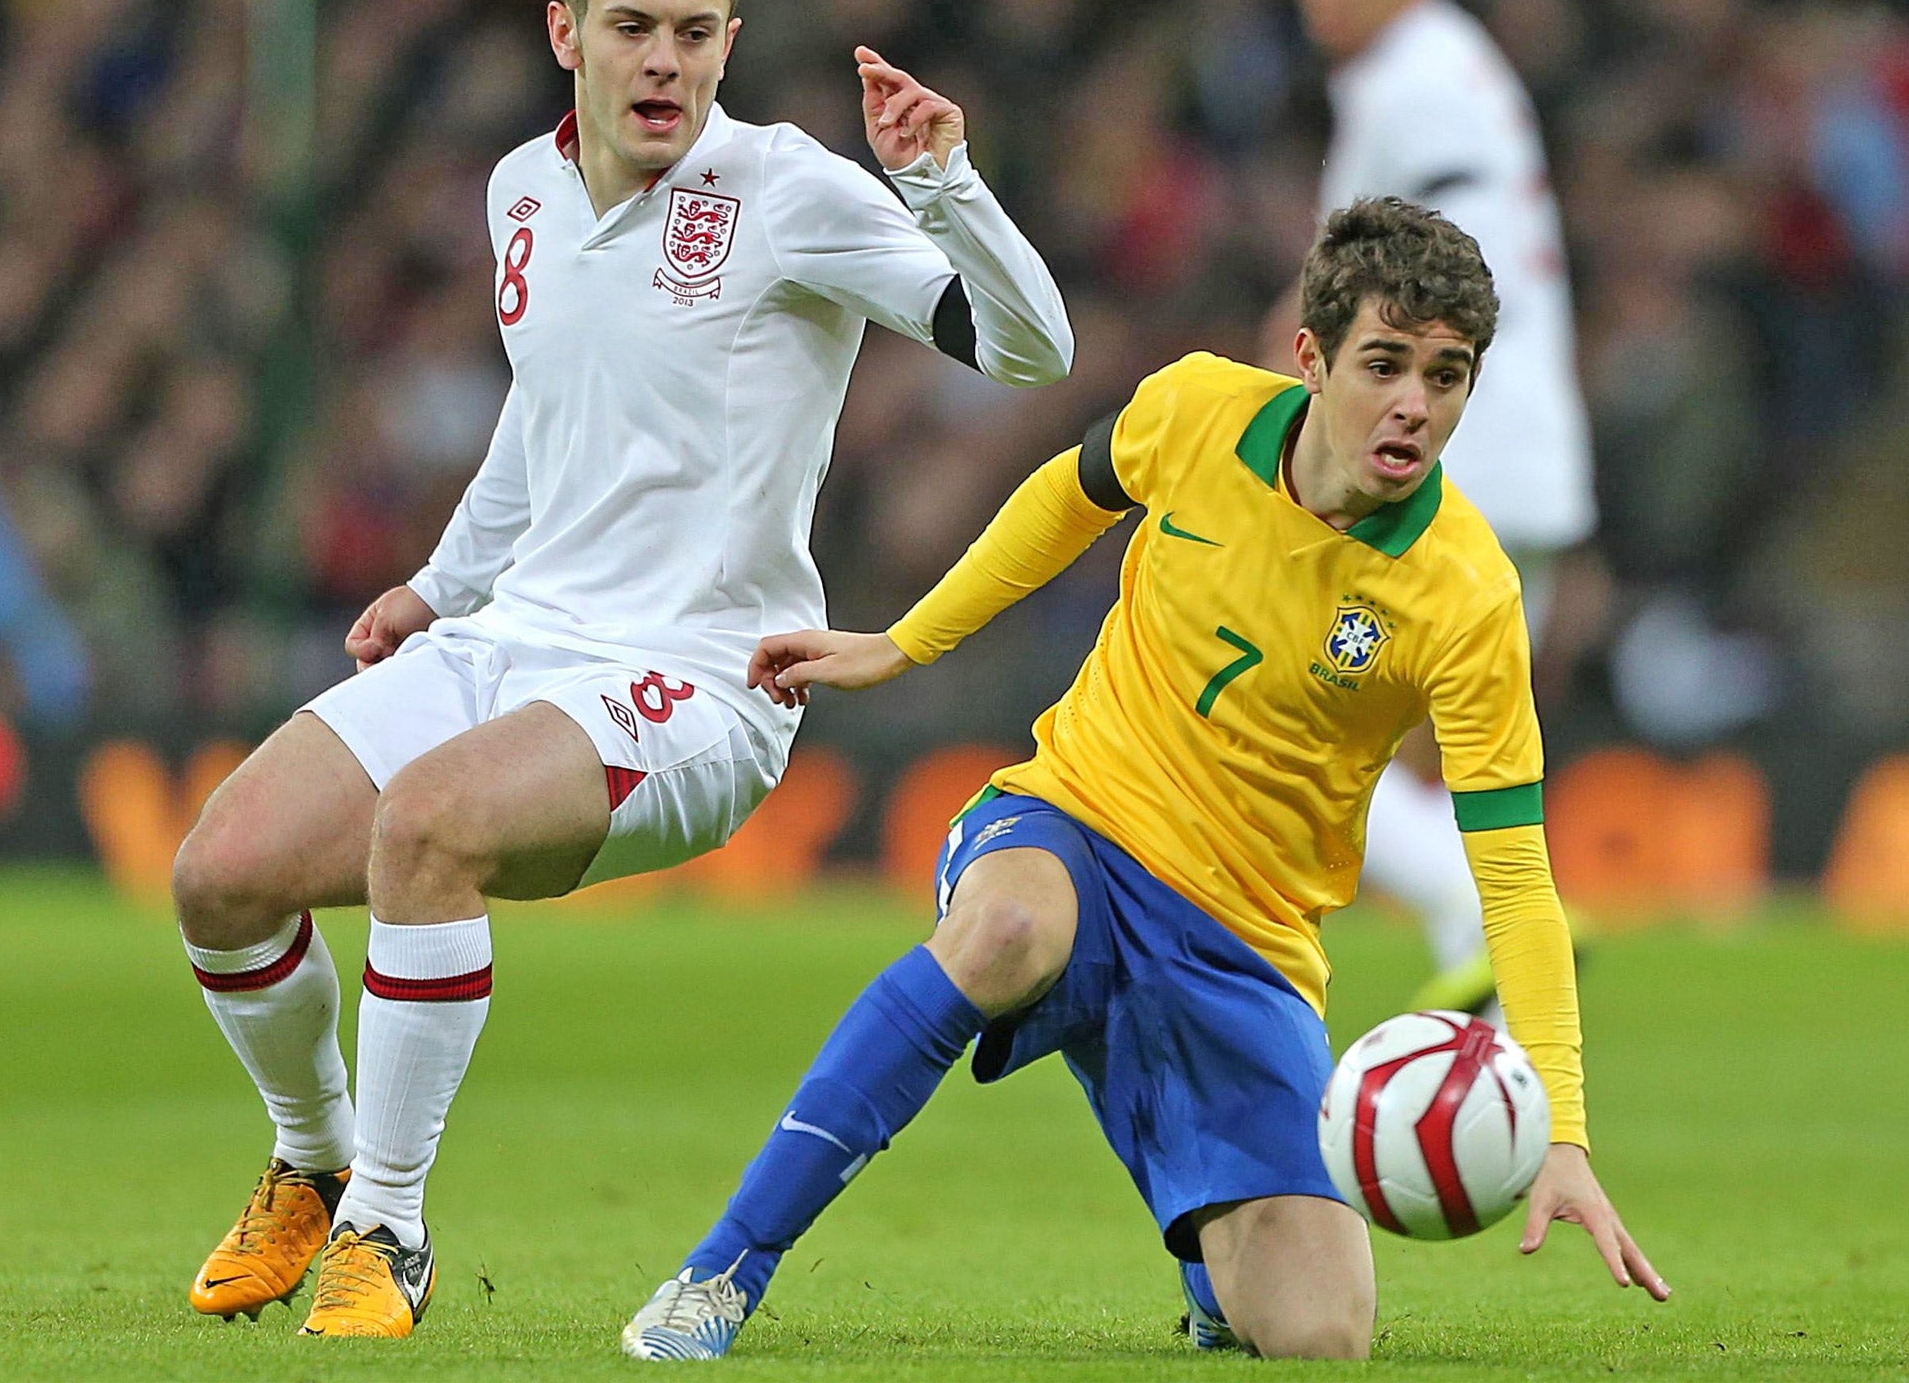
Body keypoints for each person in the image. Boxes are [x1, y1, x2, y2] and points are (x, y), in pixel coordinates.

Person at [172, 0, 1072, 1339]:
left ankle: (388, 1233)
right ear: (566, 34)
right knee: (220, 874)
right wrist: (438, 587)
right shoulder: (518, 194)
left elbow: (1035, 351)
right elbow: (542, 422)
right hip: (508, 635)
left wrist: (945, 183)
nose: (666, 62)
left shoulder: (783, 188)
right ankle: (316, 1162)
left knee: (427, 827)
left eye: (697, 33)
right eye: (635, 29)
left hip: (698, 679)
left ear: (730, 43)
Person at [621, 199, 1666, 1363]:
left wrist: (1561, 1132)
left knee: (1320, 1338)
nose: (1414, 405)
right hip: (1072, 819)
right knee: (1005, 928)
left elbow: (1515, 875)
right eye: (1383, 364)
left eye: (1446, 374)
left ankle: (1205, 1263)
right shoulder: (1193, 411)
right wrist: (903, 643)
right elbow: (1067, 498)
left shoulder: (1465, 594)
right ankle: (722, 1270)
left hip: (1248, 941)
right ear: (1311, 360)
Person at [1278, 0, 1599, 1016]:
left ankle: (1485, 925)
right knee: (1429, 764)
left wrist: (1260, 434)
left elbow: (1351, 300)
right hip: (1522, 462)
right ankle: (1502, 1032)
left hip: (1440, 461)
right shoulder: (1450, 67)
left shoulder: (1410, 82)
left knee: (1296, 738)